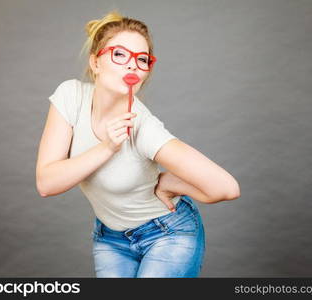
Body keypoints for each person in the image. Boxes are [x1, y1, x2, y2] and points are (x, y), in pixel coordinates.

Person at [36, 10, 240, 278]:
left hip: (168, 233)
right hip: (110, 238)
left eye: (142, 59)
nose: (132, 65)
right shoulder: (70, 97)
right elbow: (47, 183)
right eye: (119, 54)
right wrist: (106, 147)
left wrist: (170, 182)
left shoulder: (143, 127)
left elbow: (227, 188)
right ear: (95, 63)